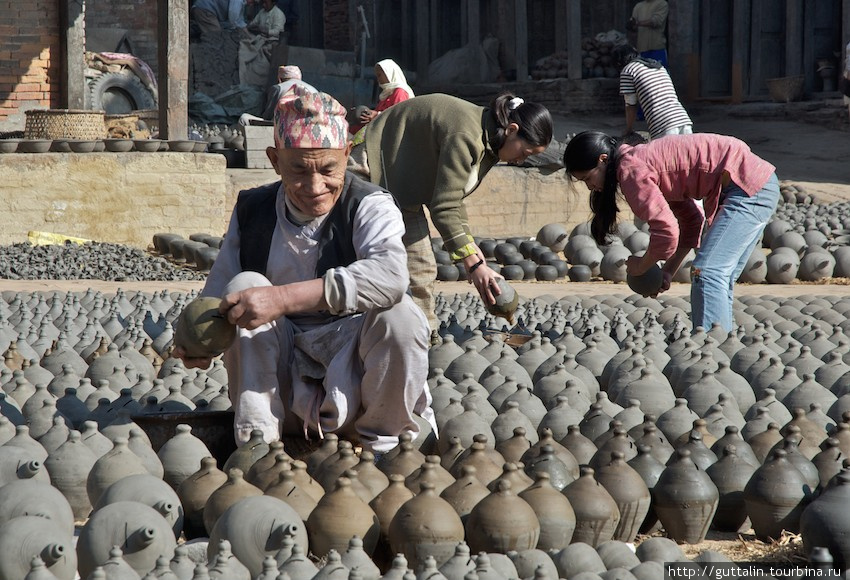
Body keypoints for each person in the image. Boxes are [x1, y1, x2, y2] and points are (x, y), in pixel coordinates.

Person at [175, 84, 433, 453]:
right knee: (245, 284)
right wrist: (196, 341)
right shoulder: (254, 209)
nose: (314, 186)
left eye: (329, 169)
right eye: (297, 170)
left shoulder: (370, 205)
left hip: (358, 387)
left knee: (401, 314)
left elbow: (391, 277)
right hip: (282, 385)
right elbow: (217, 294)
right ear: (275, 159)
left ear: (347, 155)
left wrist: (280, 299)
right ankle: (258, 446)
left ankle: (385, 448)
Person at [361, 93, 553, 334]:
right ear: (512, 130)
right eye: (525, 152)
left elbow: (451, 198)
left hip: (403, 185)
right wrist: (474, 265)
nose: (522, 160)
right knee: (365, 265)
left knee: (421, 269)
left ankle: (423, 339)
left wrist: (474, 255)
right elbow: (444, 207)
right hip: (370, 167)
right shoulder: (468, 136)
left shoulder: (491, 141)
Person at [563, 131, 779, 333]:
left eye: (587, 179)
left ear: (602, 160)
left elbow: (667, 232)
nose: (591, 188)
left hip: (747, 185)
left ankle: (712, 350)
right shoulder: (642, 163)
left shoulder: (631, 170)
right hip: (749, 183)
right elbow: (691, 221)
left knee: (709, 273)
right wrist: (667, 271)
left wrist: (643, 265)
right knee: (717, 277)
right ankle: (718, 344)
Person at [613, 44, 692, 139]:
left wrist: (629, 129)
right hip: (683, 119)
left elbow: (630, 105)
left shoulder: (628, 70)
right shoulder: (657, 66)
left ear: (618, 62)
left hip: (662, 124)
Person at [349, 59, 414, 135]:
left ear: (389, 73)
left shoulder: (400, 92)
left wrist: (376, 115)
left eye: (379, 75)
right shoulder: (387, 94)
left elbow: (397, 116)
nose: (378, 79)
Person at [628, 0, 669, 67]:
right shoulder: (638, 6)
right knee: (643, 75)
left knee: (658, 74)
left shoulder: (662, 3)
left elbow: (656, 21)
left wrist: (638, 23)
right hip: (641, 50)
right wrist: (632, 26)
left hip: (657, 49)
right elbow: (633, 24)